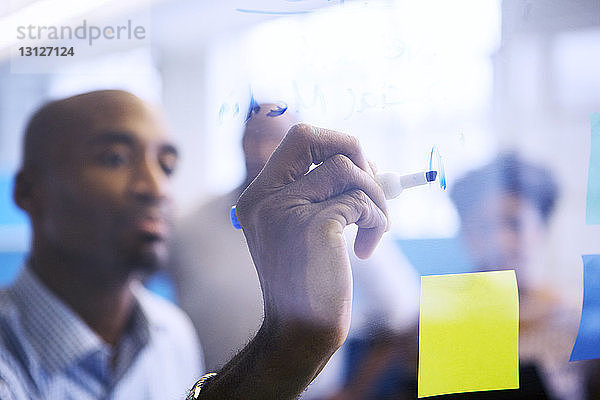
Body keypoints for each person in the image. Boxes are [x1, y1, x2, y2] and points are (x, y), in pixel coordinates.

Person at [0, 90, 391, 400]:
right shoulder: (10, 363)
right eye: (115, 158)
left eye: (166, 165)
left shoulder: (171, 338)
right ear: (29, 191)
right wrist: (290, 345)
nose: (157, 189)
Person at [450, 153, 585, 400]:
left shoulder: (578, 321)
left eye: (514, 223)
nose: (500, 240)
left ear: (542, 227)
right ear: (466, 233)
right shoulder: (443, 319)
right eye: (483, 226)